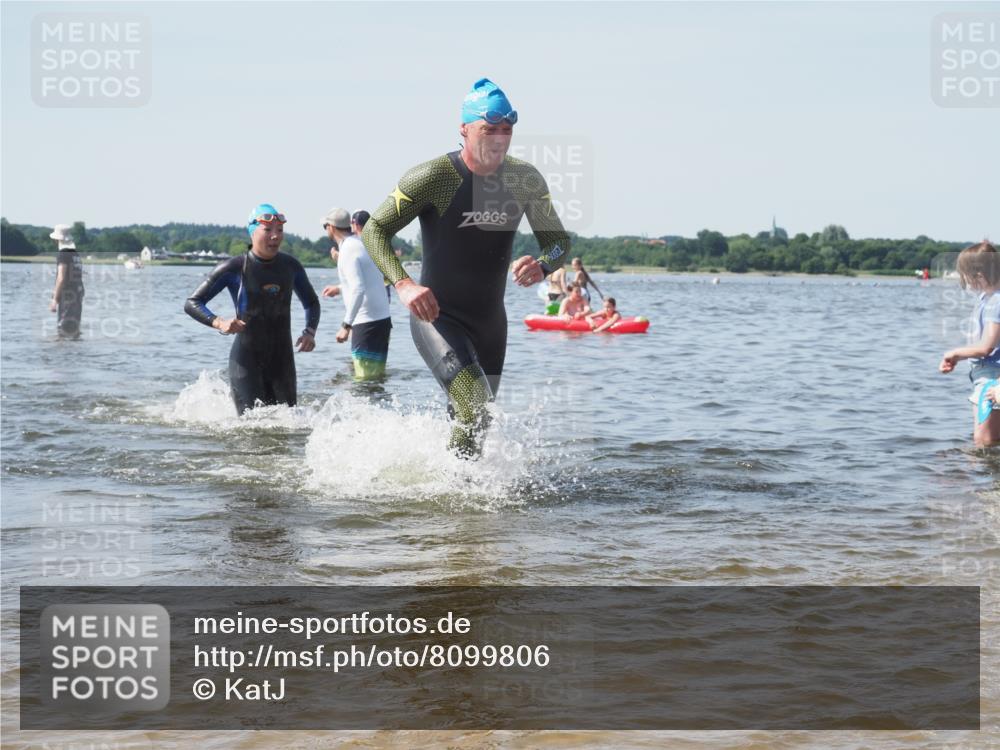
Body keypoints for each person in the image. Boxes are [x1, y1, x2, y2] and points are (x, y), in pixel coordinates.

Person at [361, 77, 570, 457]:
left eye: (507, 130)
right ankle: (456, 494)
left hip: (491, 322)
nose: (499, 138)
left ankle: (454, 492)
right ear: (464, 129)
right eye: (489, 129)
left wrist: (542, 265)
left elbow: (558, 242)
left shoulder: (523, 179)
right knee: (473, 402)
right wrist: (404, 284)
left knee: (476, 417)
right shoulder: (434, 177)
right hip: (437, 317)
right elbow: (375, 230)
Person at [184, 204, 320, 415]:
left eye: (280, 230)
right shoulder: (234, 268)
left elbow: (311, 302)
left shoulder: (290, 266)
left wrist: (310, 332)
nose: (275, 236)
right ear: (252, 231)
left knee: (289, 425)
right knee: (250, 429)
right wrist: (220, 322)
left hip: (282, 360)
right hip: (246, 361)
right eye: (268, 230)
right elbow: (192, 302)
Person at [940, 241, 1000, 446]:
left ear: (979, 274)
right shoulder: (987, 297)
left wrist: (955, 353)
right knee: (987, 444)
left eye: (965, 275)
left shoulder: (997, 301)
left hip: (993, 379)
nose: (964, 281)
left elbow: (986, 347)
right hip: (986, 376)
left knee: (984, 443)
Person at [322, 207, 393, 380]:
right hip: (381, 320)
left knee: (364, 382)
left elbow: (359, 288)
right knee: (376, 380)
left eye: (325, 226)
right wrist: (339, 288)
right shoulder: (361, 244)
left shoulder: (347, 249)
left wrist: (346, 326)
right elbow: (369, 280)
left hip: (366, 323)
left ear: (331, 227)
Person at [49, 224, 84, 339]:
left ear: (57, 239)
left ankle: (63, 356)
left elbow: (61, 277)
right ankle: (74, 354)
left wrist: (55, 299)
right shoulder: (75, 254)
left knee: (63, 330)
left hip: (68, 295)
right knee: (74, 329)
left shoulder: (63, 254)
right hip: (78, 293)